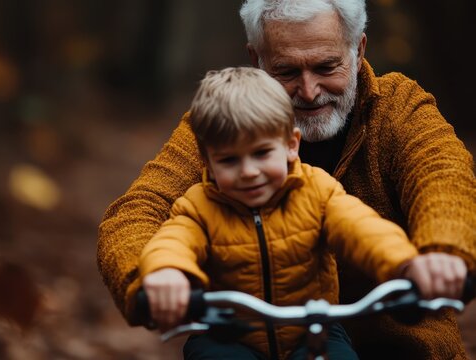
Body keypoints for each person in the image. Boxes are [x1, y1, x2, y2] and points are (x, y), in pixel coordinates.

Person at [97, 0, 476, 358]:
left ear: (358, 50)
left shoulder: (398, 106)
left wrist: (441, 253)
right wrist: (154, 278)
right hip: (247, 343)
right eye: (287, 71)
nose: (309, 92)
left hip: (401, 343)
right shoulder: (226, 125)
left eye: (327, 67)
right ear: (256, 59)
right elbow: (140, 209)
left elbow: (444, 174)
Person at [139, 66, 463, 360]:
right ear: (207, 162)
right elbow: (172, 241)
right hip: (228, 333)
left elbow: (361, 228)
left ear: (291, 144)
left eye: (262, 153)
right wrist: (167, 272)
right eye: (229, 161)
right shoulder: (199, 206)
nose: (249, 172)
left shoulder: (317, 191)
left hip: (312, 332)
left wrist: (404, 264)